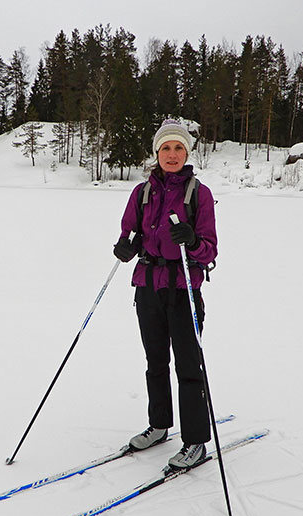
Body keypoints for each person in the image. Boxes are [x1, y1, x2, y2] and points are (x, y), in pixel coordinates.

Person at [113, 119, 218, 469]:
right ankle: (159, 425)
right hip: (147, 287)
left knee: (189, 367)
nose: (172, 154)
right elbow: (131, 236)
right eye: (165, 148)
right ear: (156, 153)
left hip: (184, 288)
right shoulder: (142, 193)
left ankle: (196, 442)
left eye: (178, 148)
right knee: (155, 363)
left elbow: (209, 251)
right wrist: (125, 248)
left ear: (187, 152)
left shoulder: (197, 193)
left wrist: (192, 239)